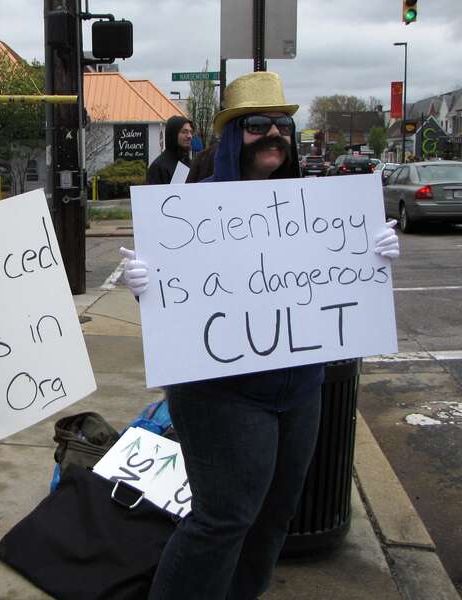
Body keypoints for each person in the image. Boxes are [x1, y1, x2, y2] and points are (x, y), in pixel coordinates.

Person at [120, 71, 400, 600]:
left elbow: (335, 279)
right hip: (220, 395)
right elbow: (176, 300)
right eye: (256, 125)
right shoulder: (192, 207)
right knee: (223, 520)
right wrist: (145, 286)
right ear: (231, 136)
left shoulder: (316, 206)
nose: (273, 134)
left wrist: (373, 254)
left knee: (275, 518)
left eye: (282, 124)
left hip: (300, 390)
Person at [146, 115, 194, 184]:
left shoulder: (190, 163)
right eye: (184, 132)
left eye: (191, 132)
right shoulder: (158, 167)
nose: (189, 136)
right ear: (173, 135)